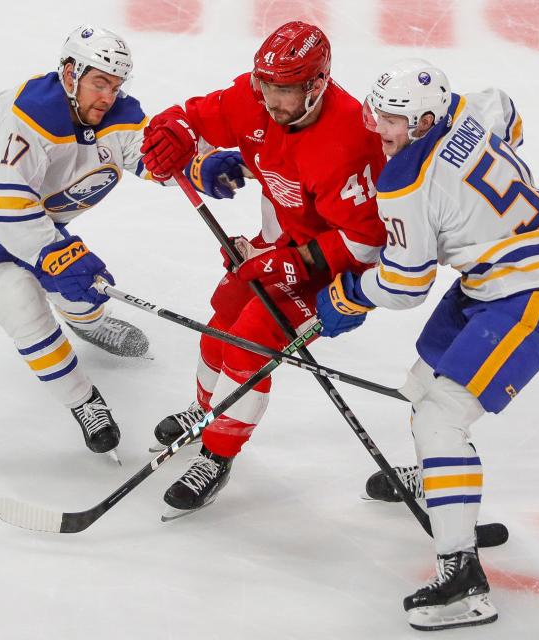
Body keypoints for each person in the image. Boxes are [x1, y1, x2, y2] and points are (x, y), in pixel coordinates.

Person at [316, 59, 539, 630]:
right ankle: (439, 481)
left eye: (393, 121)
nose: (380, 130)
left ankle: (463, 580)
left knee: (443, 417)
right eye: (380, 115)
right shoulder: (465, 111)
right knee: (422, 385)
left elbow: (405, 283)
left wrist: (348, 296)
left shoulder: (405, 183)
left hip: (534, 294)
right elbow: (504, 109)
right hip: (496, 279)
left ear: (422, 121)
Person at [0, 25, 241, 459]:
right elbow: (7, 207)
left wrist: (198, 167)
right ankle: (83, 401)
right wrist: (52, 255)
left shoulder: (116, 115)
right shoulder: (28, 116)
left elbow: (151, 155)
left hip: (21, 214)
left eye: (116, 86)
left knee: (85, 281)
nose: (108, 96)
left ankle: (88, 322)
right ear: (69, 73)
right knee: (19, 292)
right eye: (99, 82)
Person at [139, 21, 387, 518]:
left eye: (284, 91)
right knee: (221, 322)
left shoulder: (351, 139)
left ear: (316, 86)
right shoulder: (254, 98)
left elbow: (364, 243)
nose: (271, 102)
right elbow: (188, 117)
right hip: (276, 242)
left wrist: (283, 264)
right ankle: (206, 410)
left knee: (251, 341)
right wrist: (172, 137)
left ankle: (217, 455)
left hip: (328, 270)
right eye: (266, 87)